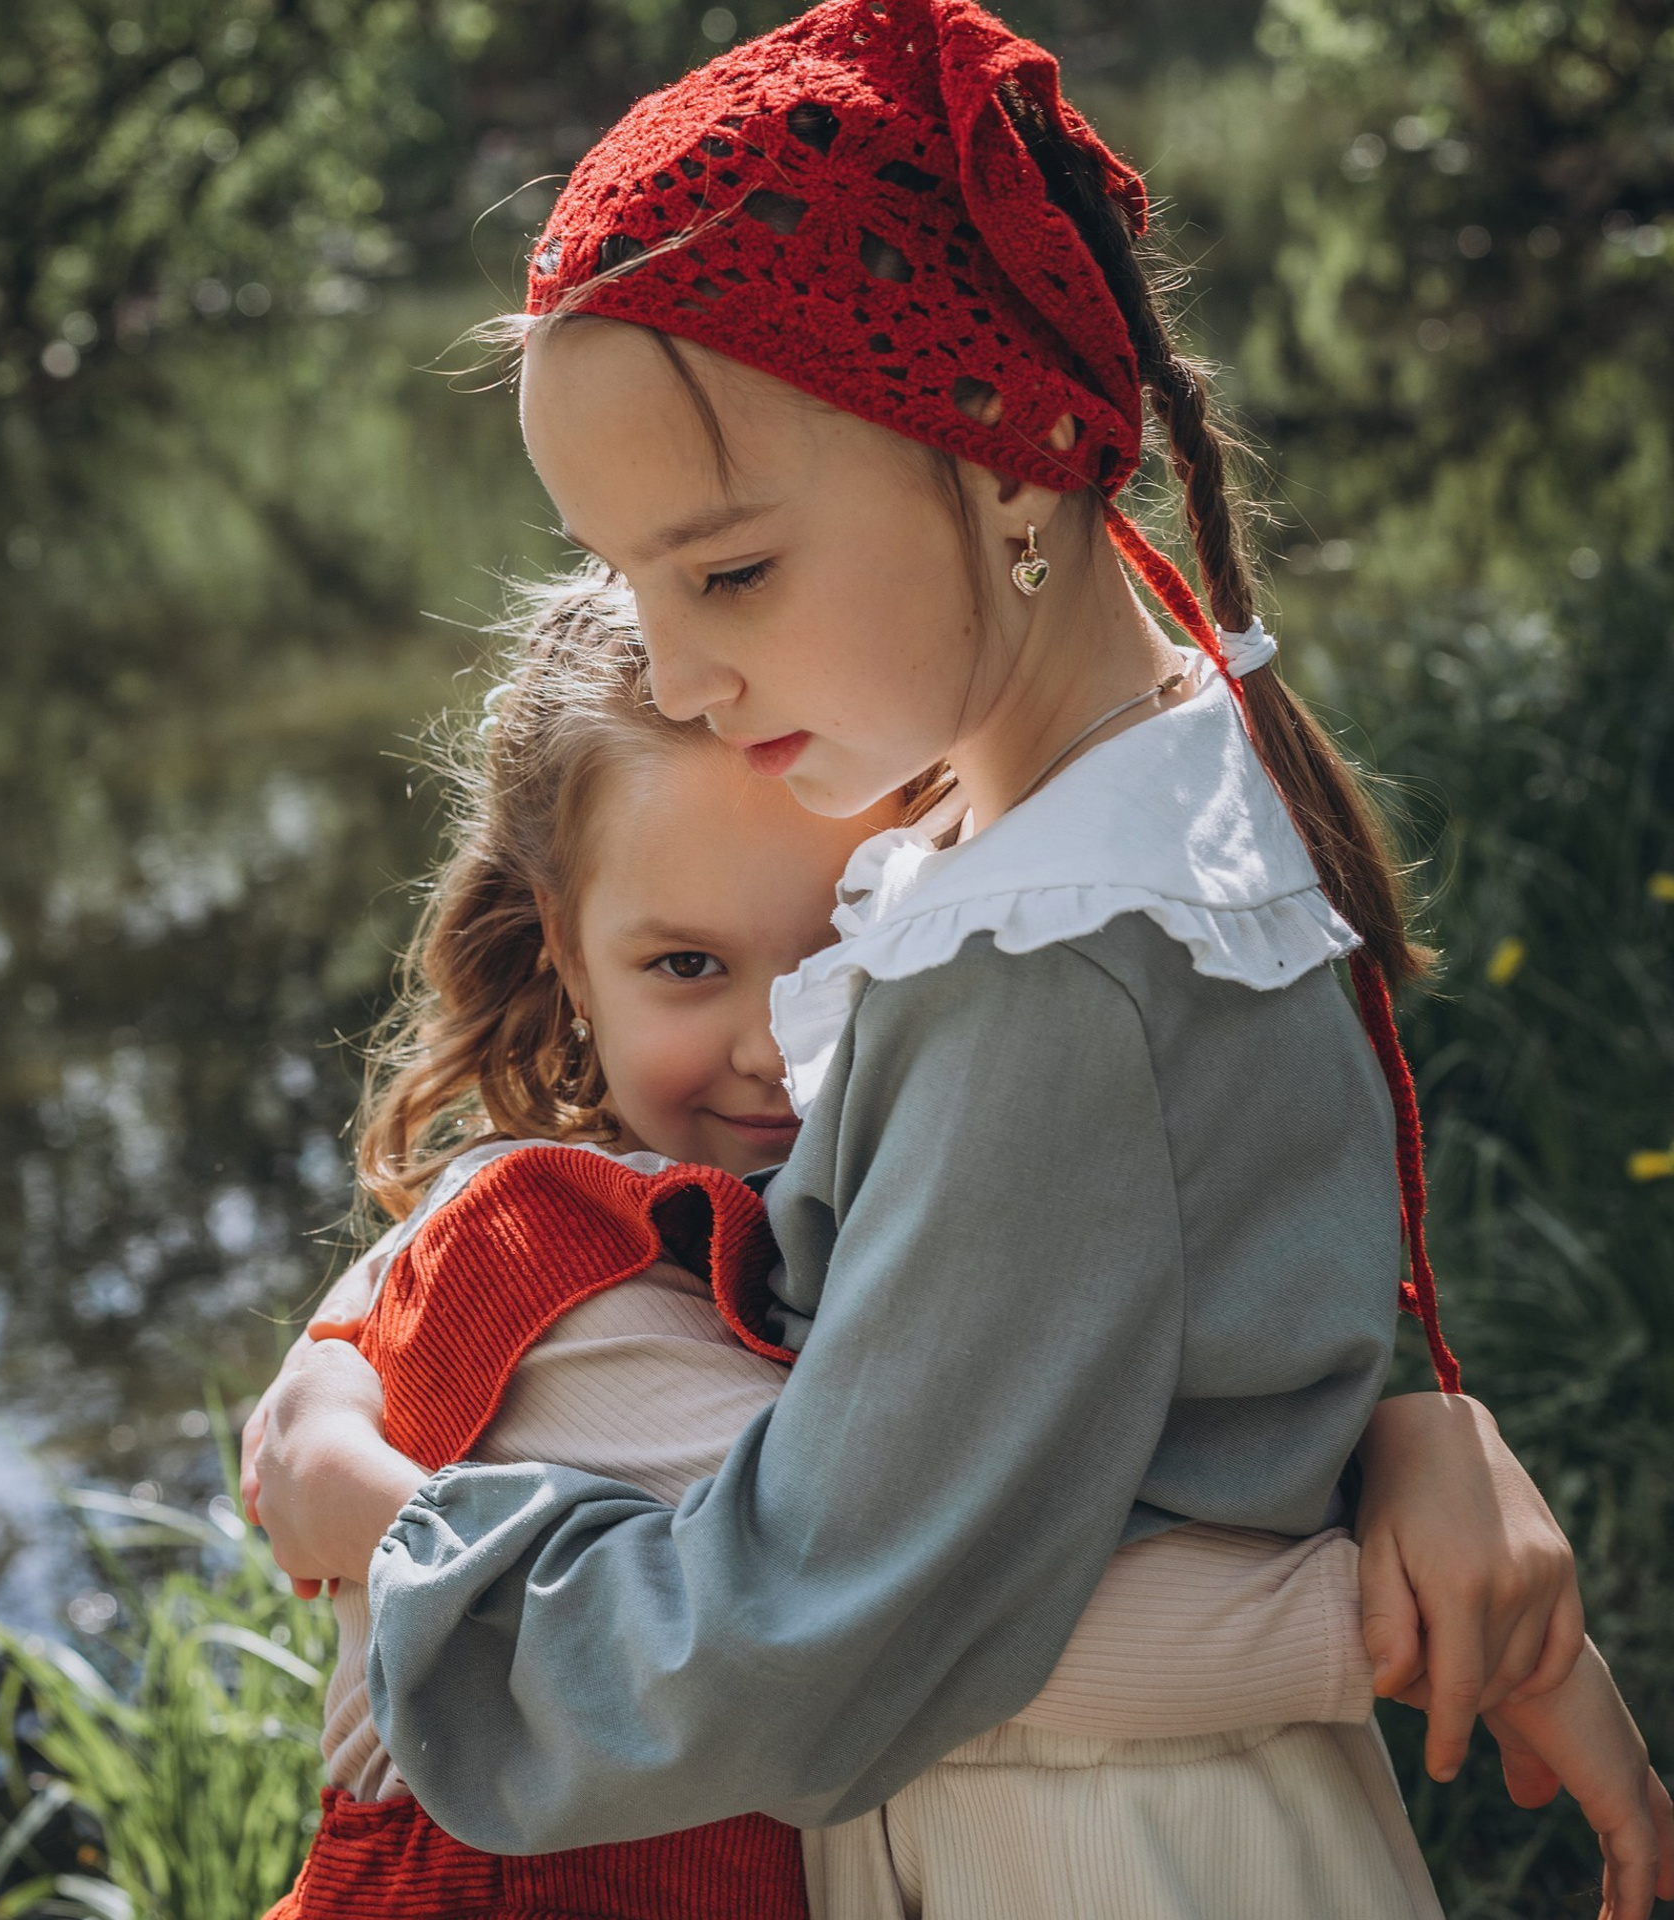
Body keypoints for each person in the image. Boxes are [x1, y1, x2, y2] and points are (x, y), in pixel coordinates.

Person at [251, 2, 1674, 1913]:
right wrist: (1412, 1410)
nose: (676, 674)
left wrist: (412, 1541)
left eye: (730, 571)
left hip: (1076, 1850)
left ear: (1004, 463)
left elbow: (830, 1623)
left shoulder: (1045, 967)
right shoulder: (1134, 800)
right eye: (633, 579)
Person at [264, 574, 1443, 1918]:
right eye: (688, 967)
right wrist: (1399, 1614)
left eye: (851, 940)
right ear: (567, 957)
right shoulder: (600, 1290)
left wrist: (1417, 1437)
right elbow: (942, 1630)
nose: (773, 1046)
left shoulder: (885, 1199)